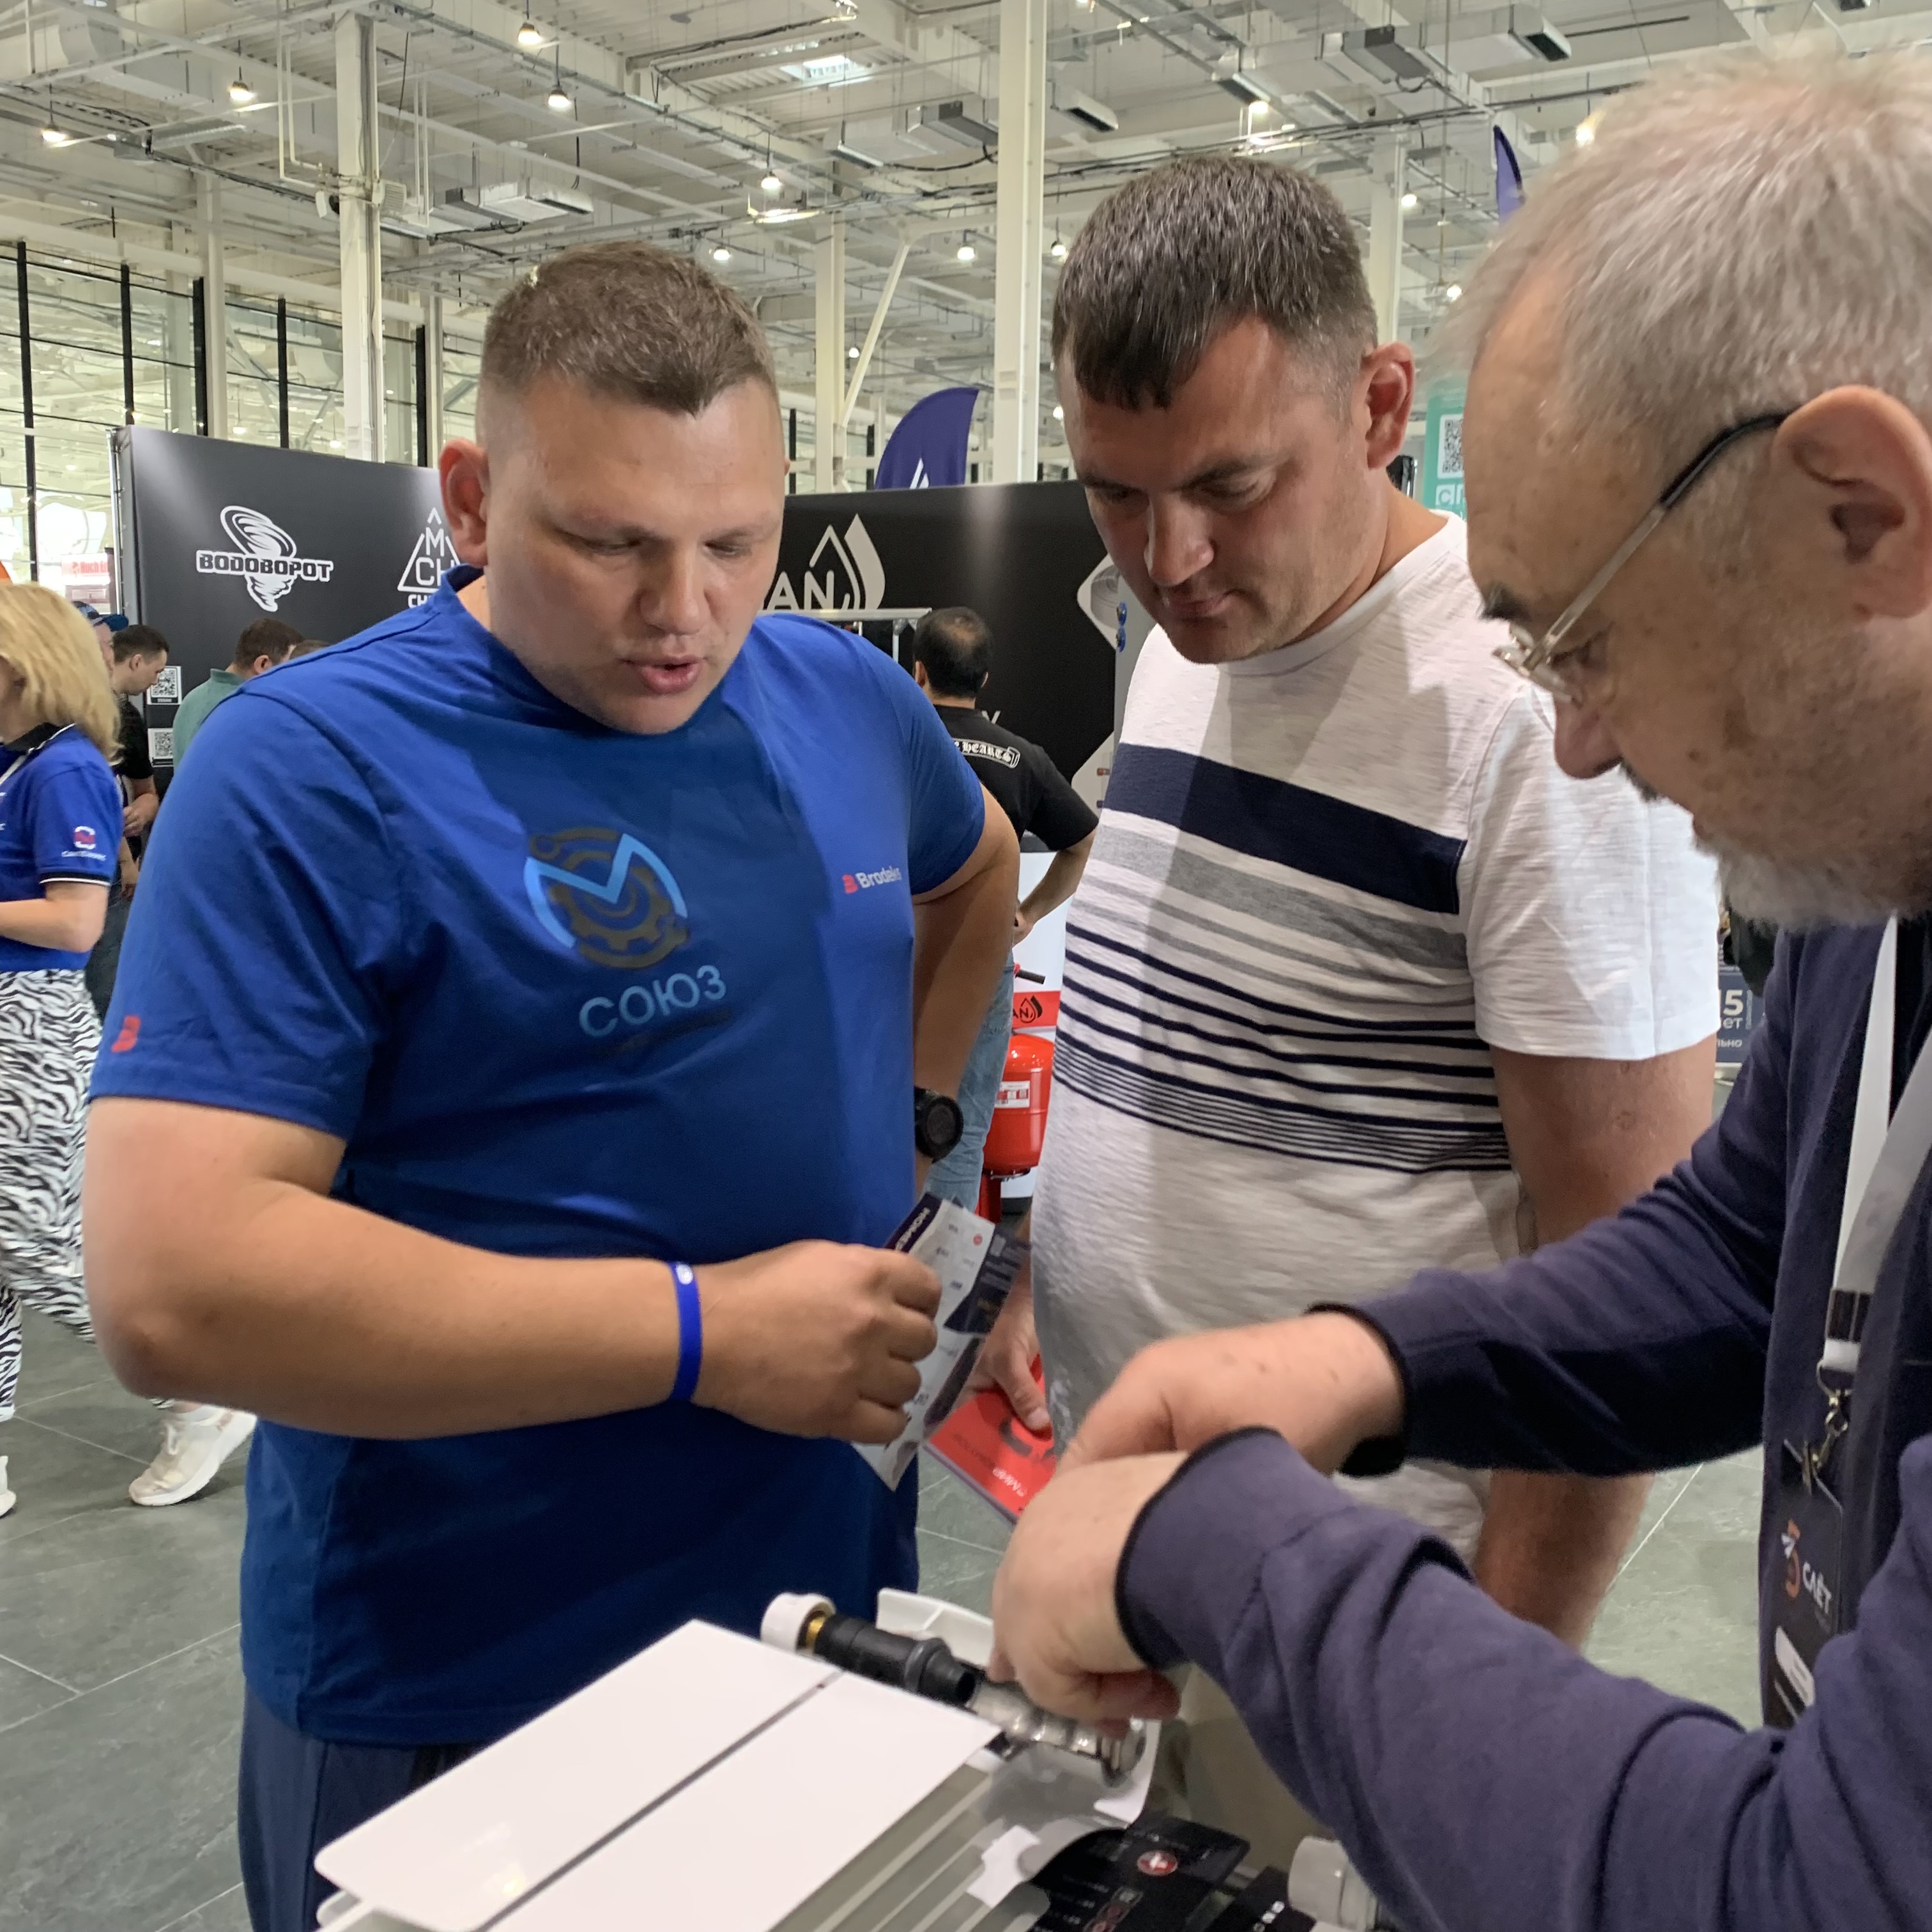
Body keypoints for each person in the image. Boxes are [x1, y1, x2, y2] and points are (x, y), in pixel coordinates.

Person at [991, 53, 1932, 1932]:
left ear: (1860, 514)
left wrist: (1222, 1542)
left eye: (1585, 639)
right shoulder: (1870, 863)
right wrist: (1376, 1360)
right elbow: (1740, 1240)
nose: (1573, 743)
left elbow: (1818, 1889)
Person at [83, 240, 1015, 1932]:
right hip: (471, 1669)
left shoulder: (843, 699)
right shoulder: (309, 767)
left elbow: (978, 871)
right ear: (470, 498)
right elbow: (177, 1285)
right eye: (611, 544)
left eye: (735, 544)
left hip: (820, 1604)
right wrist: (706, 1334)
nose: (685, 612)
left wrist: (917, 1136)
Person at [969, 153, 1719, 1859]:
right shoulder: (1193, 639)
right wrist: (1042, 1272)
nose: (1171, 556)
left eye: (1231, 486)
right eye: (1115, 494)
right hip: (1132, 1529)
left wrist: (1492, 1705)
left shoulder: (1525, 718)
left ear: (1381, 405)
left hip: (1368, 1605)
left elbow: (1631, 1269)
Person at [910, 606, 1098, 1216]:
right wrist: (1028, 915)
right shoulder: (1021, 757)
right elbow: (1083, 844)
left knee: (865, 1121)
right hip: (979, 959)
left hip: (889, 954)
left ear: (918, 671)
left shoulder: (888, 743)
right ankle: (939, 1276)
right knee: (956, 1132)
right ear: (985, 680)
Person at [0, 587, 121, 1521]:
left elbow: (76, 923)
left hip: (29, 1025)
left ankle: (197, 1390)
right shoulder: (19, 765)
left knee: (35, 1241)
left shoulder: (64, 769)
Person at [84, 619, 167, 1019]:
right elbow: (98, 798)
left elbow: (146, 791)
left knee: (112, 976)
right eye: (157, 671)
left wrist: (146, 808)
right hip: (99, 865)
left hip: (118, 870)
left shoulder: (128, 718)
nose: (157, 681)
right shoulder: (80, 718)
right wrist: (125, 861)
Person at [170, 615, 302, 763]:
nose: (291, 677)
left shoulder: (194, 698)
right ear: (263, 664)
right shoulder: (244, 708)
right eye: (288, 668)